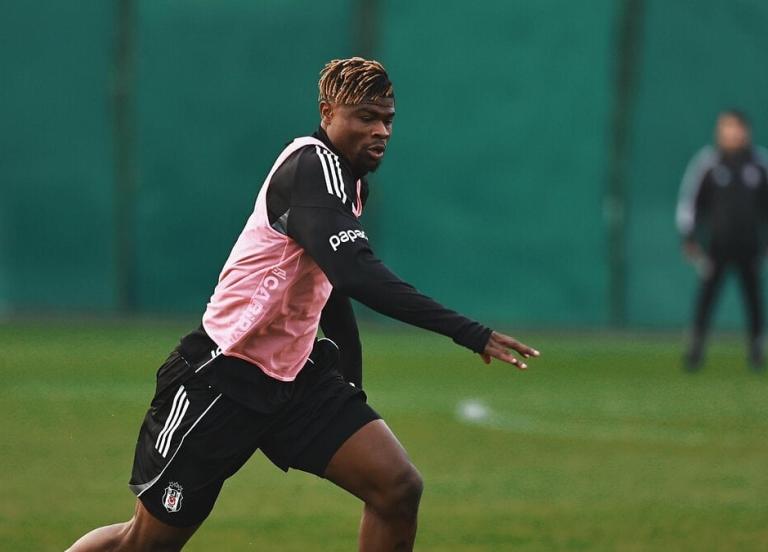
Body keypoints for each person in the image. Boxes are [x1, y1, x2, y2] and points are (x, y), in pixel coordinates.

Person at [67, 57, 539, 552]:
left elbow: (330, 285)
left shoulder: (350, 182)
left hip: (292, 379)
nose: (381, 131)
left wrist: (350, 384)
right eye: (366, 117)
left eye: (388, 120)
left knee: (397, 487)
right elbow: (356, 273)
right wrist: (470, 332)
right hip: (222, 377)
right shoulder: (313, 169)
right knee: (143, 544)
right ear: (327, 112)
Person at [675, 109, 768, 372]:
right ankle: (696, 347)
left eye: (736, 128)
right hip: (716, 245)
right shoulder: (708, 163)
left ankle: (757, 349)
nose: (731, 133)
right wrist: (689, 236)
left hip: (750, 245)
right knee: (706, 297)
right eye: (726, 128)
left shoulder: (761, 164)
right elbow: (691, 203)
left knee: (754, 298)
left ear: (746, 131)